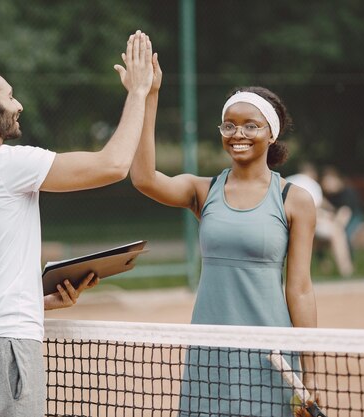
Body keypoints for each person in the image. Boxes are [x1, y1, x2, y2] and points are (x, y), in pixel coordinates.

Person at [0, 31, 153, 417]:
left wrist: (39, 301)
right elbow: (113, 165)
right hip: (5, 349)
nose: (20, 105)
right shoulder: (4, 166)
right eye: (10, 96)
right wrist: (139, 92)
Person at [129, 54, 318, 416]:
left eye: (251, 126)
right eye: (229, 126)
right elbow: (144, 178)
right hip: (209, 348)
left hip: (271, 353)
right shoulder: (203, 191)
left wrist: (311, 373)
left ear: (271, 133)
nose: (238, 135)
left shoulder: (294, 200)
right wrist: (149, 94)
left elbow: (301, 288)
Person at [287, 163, 354, 277]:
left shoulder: (286, 181)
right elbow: (314, 209)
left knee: (318, 240)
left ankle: (324, 266)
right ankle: (346, 270)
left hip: (285, 224)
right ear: (312, 174)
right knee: (336, 233)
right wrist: (329, 215)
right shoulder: (311, 184)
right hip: (305, 224)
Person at [320, 165, 364, 253]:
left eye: (329, 182)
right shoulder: (329, 195)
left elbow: (345, 211)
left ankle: (349, 259)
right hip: (337, 218)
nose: (326, 185)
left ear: (336, 180)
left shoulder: (347, 192)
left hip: (354, 216)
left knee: (345, 234)